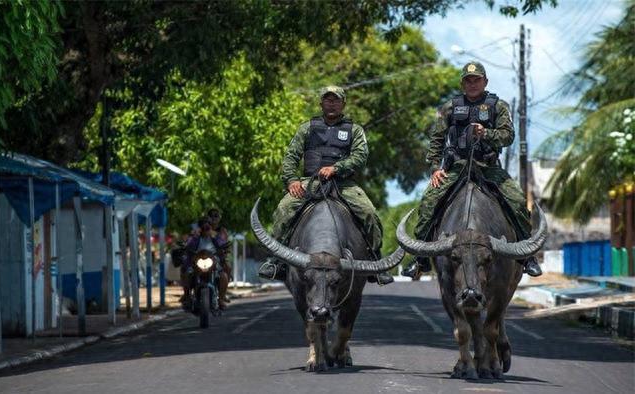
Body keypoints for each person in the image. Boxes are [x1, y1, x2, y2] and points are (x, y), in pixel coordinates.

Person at [402, 61, 542, 278]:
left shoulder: (498, 106)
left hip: (488, 167)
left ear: (485, 81)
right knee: (429, 202)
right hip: (456, 166)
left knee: (517, 203)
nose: (473, 84)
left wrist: (485, 133)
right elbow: (437, 139)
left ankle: (527, 257)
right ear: (462, 83)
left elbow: (508, 136)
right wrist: (435, 168)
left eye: (477, 80)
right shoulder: (449, 107)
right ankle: (420, 259)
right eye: (468, 80)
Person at [258, 85, 393, 285]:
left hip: (343, 183)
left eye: (336, 100)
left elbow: (360, 156)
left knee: (369, 213)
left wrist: (337, 168)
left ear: (343, 104)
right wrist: (291, 180)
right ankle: (275, 261)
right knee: (283, 210)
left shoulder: (354, 130)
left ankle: (375, 260)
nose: (332, 103)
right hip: (310, 182)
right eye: (328, 100)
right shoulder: (307, 128)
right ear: (321, 103)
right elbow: (291, 157)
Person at [181, 217, 230, 310]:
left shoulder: (216, 240)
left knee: (223, 276)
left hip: (213, 265)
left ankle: (221, 300)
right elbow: (187, 245)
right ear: (200, 228)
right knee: (187, 274)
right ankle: (187, 298)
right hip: (197, 265)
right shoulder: (194, 240)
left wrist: (225, 249)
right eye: (203, 227)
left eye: (208, 227)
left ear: (211, 228)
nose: (206, 230)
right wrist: (184, 247)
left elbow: (224, 245)